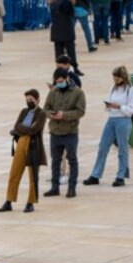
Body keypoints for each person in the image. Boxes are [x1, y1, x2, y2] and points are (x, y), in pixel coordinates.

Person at [84, 66, 133, 187]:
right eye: (114, 78)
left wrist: (119, 107)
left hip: (123, 120)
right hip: (112, 119)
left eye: (117, 78)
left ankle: (121, 176)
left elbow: (131, 109)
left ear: (123, 77)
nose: (115, 80)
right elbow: (108, 100)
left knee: (122, 149)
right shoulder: (113, 88)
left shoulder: (131, 90)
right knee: (103, 146)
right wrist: (109, 106)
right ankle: (95, 174)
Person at [0, 89, 48, 214]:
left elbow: (34, 130)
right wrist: (26, 128)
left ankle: (30, 202)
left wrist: (23, 129)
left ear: (37, 99)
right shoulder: (24, 111)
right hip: (20, 142)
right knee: (14, 172)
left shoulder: (41, 114)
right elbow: (17, 126)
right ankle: (9, 201)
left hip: (33, 145)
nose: (29, 102)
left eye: (31, 99)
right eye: (27, 100)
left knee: (33, 176)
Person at [43, 68, 87, 198]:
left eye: (61, 81)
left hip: (70, 132)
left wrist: (64, 115)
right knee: (55, 161)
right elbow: (46, 108)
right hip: (55, 132)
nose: (59, 83)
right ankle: (54, 187)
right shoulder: (53, 92)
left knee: (72, 160)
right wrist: (51, 115)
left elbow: (80, 112)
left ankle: (72, 187)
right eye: (57, 81)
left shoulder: (78, 93)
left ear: (67, 78)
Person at [49, 0, 83, 76]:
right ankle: (75, 68)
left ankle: (59, 69)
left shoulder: (53, 3)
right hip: (67, 30)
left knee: (58, 52)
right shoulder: (68, 3)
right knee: (71, 51)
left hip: (56, 31)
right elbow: (72, 13)